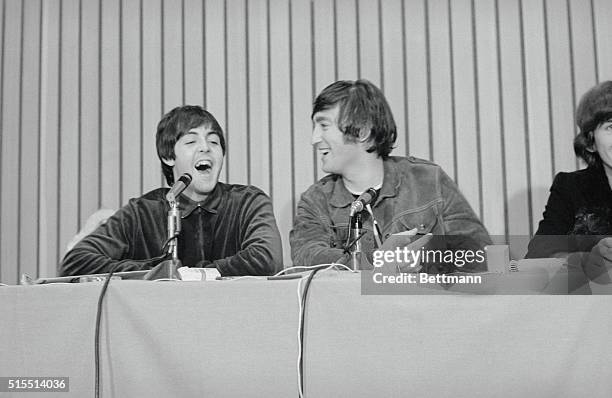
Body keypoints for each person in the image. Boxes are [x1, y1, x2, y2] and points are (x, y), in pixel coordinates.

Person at [290, 79, 491, 272]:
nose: (314, 139)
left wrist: (422, 263)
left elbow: (478, 254)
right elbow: (306, 257)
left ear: (362, 131)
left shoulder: (428, 180)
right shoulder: (316, 201)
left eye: (324, 126)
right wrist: (376, 260)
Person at [60, 105, 283, 276]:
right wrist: (157, 272)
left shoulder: (248, 202)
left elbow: (267, 258)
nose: (205, 147)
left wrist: (191, 274)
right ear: (168, 157)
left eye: (214, 142)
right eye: (191, 142)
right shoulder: (141, 212)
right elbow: (76, 262)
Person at [526, 81, 612, 283]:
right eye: (611, 126)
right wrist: (583, 261)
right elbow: (537, 258)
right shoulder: (571, 187)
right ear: (590, 142)